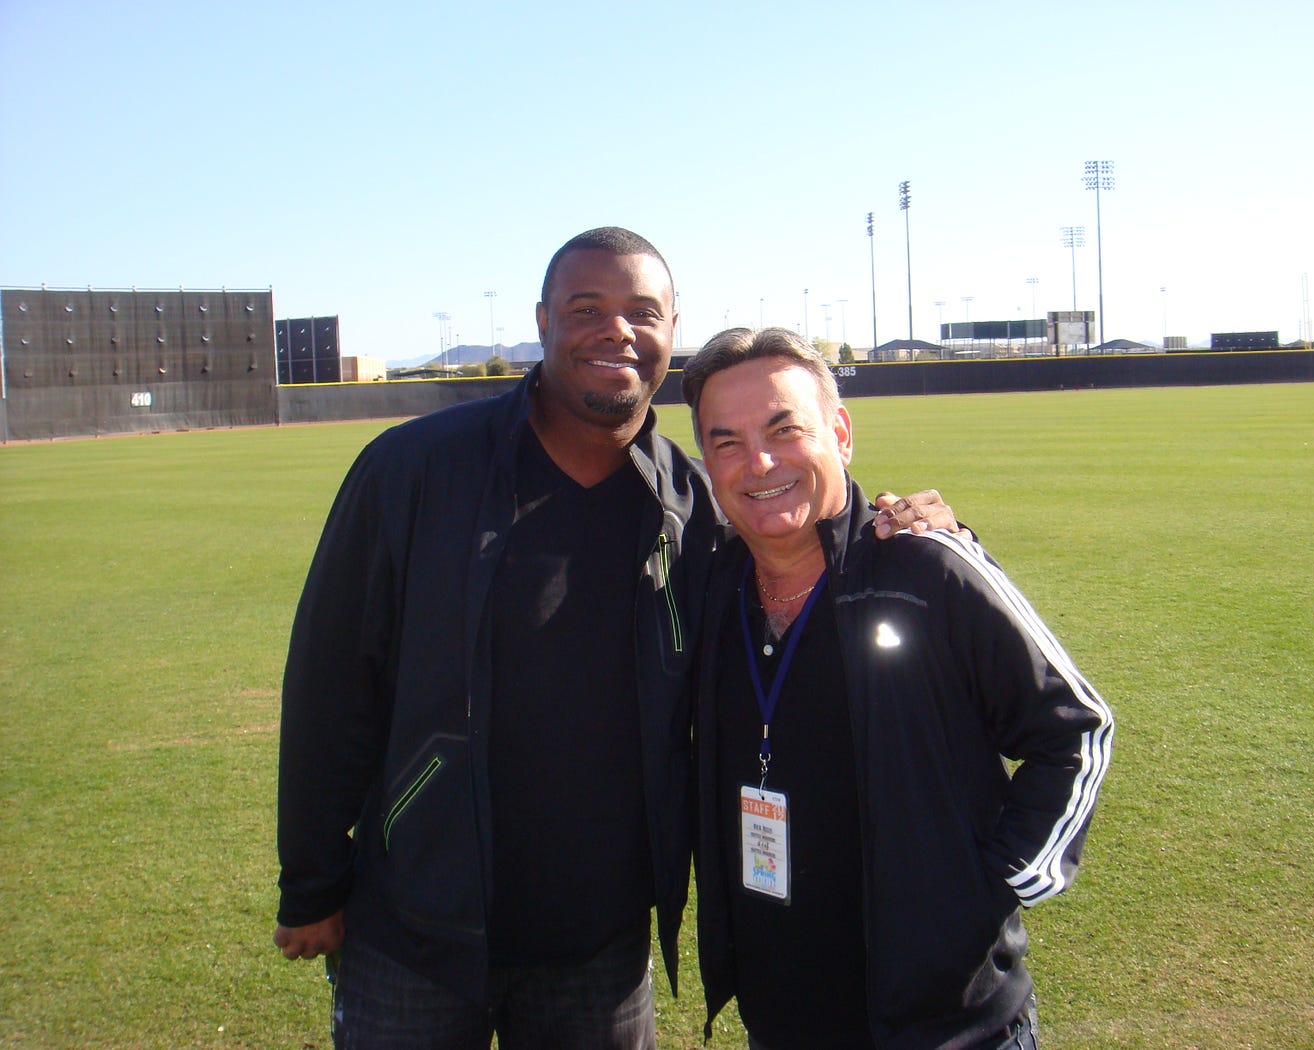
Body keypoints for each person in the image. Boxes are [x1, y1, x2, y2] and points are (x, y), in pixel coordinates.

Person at [273, 229, 956, 1050]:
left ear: (673, 326)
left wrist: (916, 528)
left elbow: (813, 552)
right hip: (416, 927)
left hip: (601, 948)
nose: (616, 331)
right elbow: (329, 679)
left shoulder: (696, 503)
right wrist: (312, 881)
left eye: (642, 311)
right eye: (586, 309)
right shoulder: (414, 472)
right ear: (542, 320)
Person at [683, 327, 1114, 1050]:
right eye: (726, 442)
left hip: (947, 1028)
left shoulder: (923, 569)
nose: (758, 462)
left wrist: (990, 888)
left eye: (784, 428)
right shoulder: (709, 591)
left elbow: (1074, 728)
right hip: (783, 1018)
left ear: (840, 431)